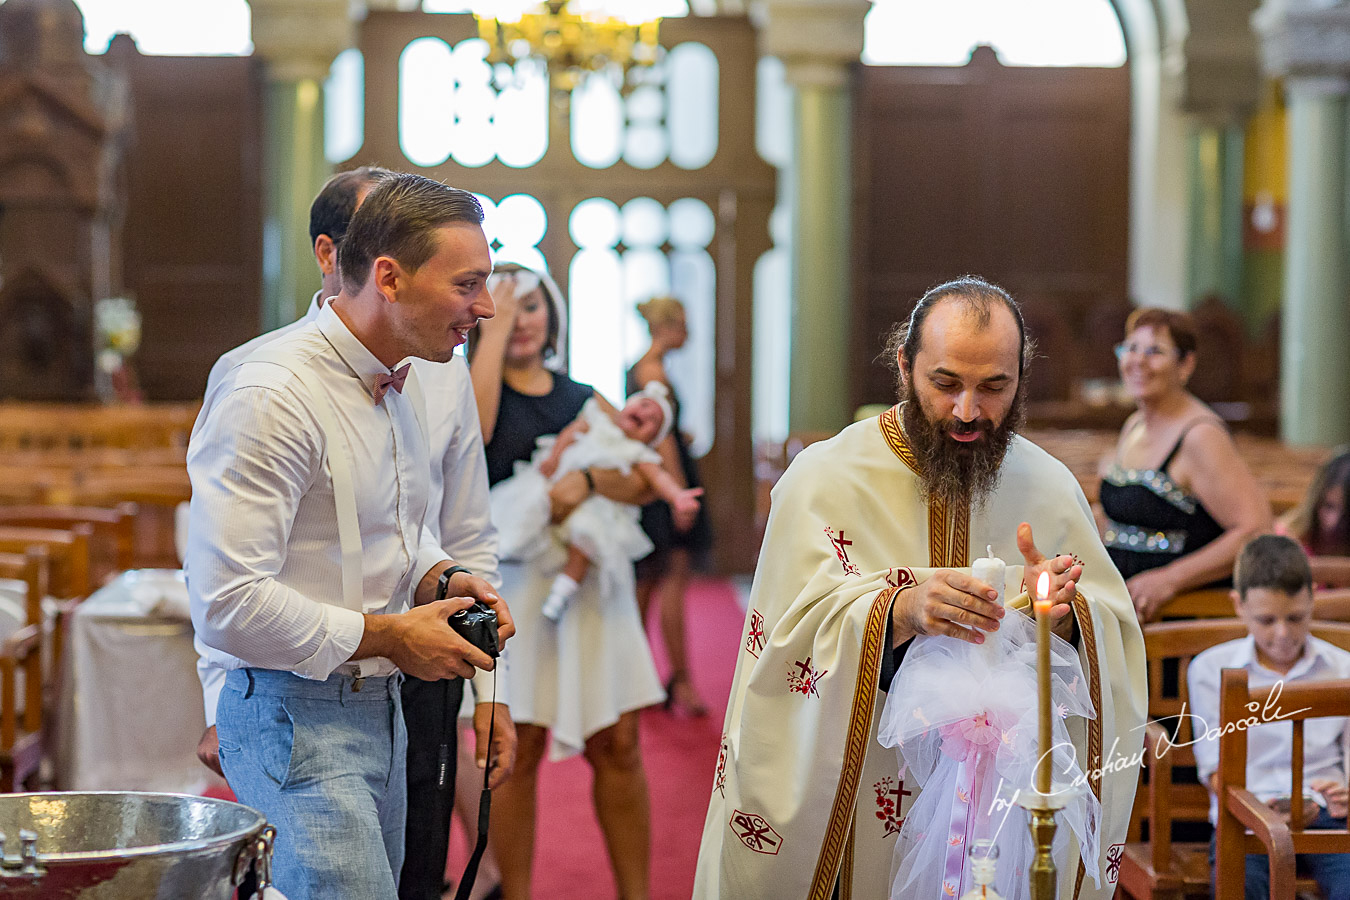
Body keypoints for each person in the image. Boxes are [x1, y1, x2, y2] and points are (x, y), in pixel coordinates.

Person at [693, 276, 1145, 899]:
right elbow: (781, 639)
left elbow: (1114, 629)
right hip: (861, 791)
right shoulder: (824, 479)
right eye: (945, 383)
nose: (967, 411)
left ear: (1022, 376)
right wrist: (897, 609)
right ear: (904, 367)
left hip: (999, 804)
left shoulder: (1049, 485)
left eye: (993, 388)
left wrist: (1061, 617)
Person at [187, 174, 515, 899]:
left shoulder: (398, 380)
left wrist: (442, 578)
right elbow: (228, 603)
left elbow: (396, 534)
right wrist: (392, 635)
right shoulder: (269, 392)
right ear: (390, 278)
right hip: (292, 713)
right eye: (468, 284)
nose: (486, 308)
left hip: (380, 710)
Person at [470, 263, 665, 900]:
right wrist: (489, 338)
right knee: (516, 752)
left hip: (593, 591)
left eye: (531, 305)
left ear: (552, 315)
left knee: (620, 745)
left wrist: (585, 483)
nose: (520, 318)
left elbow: (641, 477)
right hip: (519, 590)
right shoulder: (469, 391)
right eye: (503, 304)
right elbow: (474, 444)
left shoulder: (581, 393)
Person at [1188, 534, 1350, 900]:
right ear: (1238, 606)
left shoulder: (1343, 668)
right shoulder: (1210, 669)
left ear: (1312, 599)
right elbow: (1215, 769)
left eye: (1296, 617)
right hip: (1245, 814)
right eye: (1266, 620)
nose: (1282, 634)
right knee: (1242, 887)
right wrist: (1263, 810)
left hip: (1327, 812)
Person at [1098, 307, 1270, 622]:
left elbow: (1255, 529)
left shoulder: (1200, 435)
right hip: (1126, 609)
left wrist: (1170, 579)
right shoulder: (1134, 424)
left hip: (1180, 615)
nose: (1138, 360)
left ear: (1185, 364)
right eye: (1131, 348)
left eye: (1154, 351)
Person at [491, 382, 702, 624]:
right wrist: (554, 457)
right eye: (643, 405)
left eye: (653, 419)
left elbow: (659, 477)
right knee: (529, 505)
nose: (645, 413)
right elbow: (570, 434)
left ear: (652, 439)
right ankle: (508, 548)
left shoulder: (638, 453)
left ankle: (561, 593)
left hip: (595, 509)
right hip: (557, 481)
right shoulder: (598, 421)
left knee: (585, 541)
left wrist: (677, 496)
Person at [627, 296, 713, 716]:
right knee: (670, 584)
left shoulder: (644, 367)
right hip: (667, 486)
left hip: (655, 485)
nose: (689, 334)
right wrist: (679, 494)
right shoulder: (652, 371)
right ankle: (680, 682)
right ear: (668, 327)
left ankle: (634, 682)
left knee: (646, 584)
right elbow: (659, 438)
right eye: (684, 324)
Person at [1282, 449, 1350, 559]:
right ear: (1315, 501)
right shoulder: (1284, 543)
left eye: (1347, 514)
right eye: (1329, 506)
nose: (1334, 522)